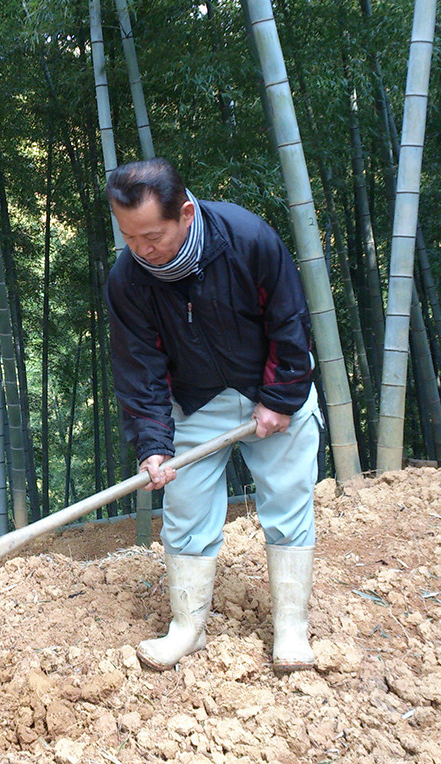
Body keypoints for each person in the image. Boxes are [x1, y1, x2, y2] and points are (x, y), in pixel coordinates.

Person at [104, 158, 324, 674]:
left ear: (185, 212)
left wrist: (282, 396)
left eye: (151, 235)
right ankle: (188, 628)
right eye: (128, 237)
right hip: (195, 401)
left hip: (268, 386)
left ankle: (291, 628)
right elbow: (140, 369)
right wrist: (154, 444)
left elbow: (290, 321)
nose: (140, 249)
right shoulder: (128, 280)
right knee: (185, 511)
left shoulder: (247, 238)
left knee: (288, 501)